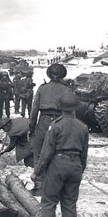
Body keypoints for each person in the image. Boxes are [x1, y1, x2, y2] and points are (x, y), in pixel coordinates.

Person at [32, 92, 89, 217]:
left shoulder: (56, 125)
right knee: (70, 203)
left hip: (58, 164)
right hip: (75, 166)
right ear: (75, 108)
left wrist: (37, 172)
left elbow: (46, 152)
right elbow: (84, 154)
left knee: (49, 201)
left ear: (60, 108)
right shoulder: (83, 127)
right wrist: (79, 169)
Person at [29, 63, 73, 195]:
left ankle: (39, 186)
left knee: (40, 153)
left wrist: (31, 129)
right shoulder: (67, 90)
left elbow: (34, 111)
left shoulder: (42, 89)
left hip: (44, 122)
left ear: (49, 74)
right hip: (61, 122)